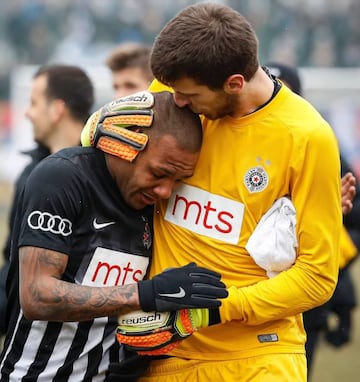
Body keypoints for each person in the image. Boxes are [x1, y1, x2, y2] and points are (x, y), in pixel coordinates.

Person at [120, 3, 343, 381]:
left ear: (234, 83)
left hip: (260, 356)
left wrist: (218, 308)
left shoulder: (307, 136)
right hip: (165, 354)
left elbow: (317, 277)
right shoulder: (173, 91)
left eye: (189, 95)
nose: (177, 103)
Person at [0, 90, 228, 381]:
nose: (165, 191)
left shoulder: (153, 204)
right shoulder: (63, 178)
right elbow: (37, 296)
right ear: (125, 145)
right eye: (159, 173)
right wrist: (148, 294)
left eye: (178, 181)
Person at [267, 62, 360, 378]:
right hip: (253, 301)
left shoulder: (322, 148)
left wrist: (344, 305)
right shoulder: (241, 146)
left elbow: (344, 232)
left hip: (306, 304)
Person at [0, 64, 95, 337]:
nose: (27, 112)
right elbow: (12, 263)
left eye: (33, 103)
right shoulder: (29, 174)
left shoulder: (102, 175)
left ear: (57, 110)